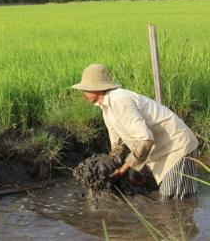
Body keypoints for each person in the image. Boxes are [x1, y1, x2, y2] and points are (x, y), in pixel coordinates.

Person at [71, 63, 199, 200]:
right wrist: (112, 164)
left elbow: (145, 140)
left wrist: (123, 169)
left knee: (173, 204)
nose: (83, 93)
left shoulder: (119, 100)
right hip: (158, 151)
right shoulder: (106, 108)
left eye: (85, 89)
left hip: (176, 148)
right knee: (140, 182)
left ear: (96, 88)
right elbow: (118, 145)